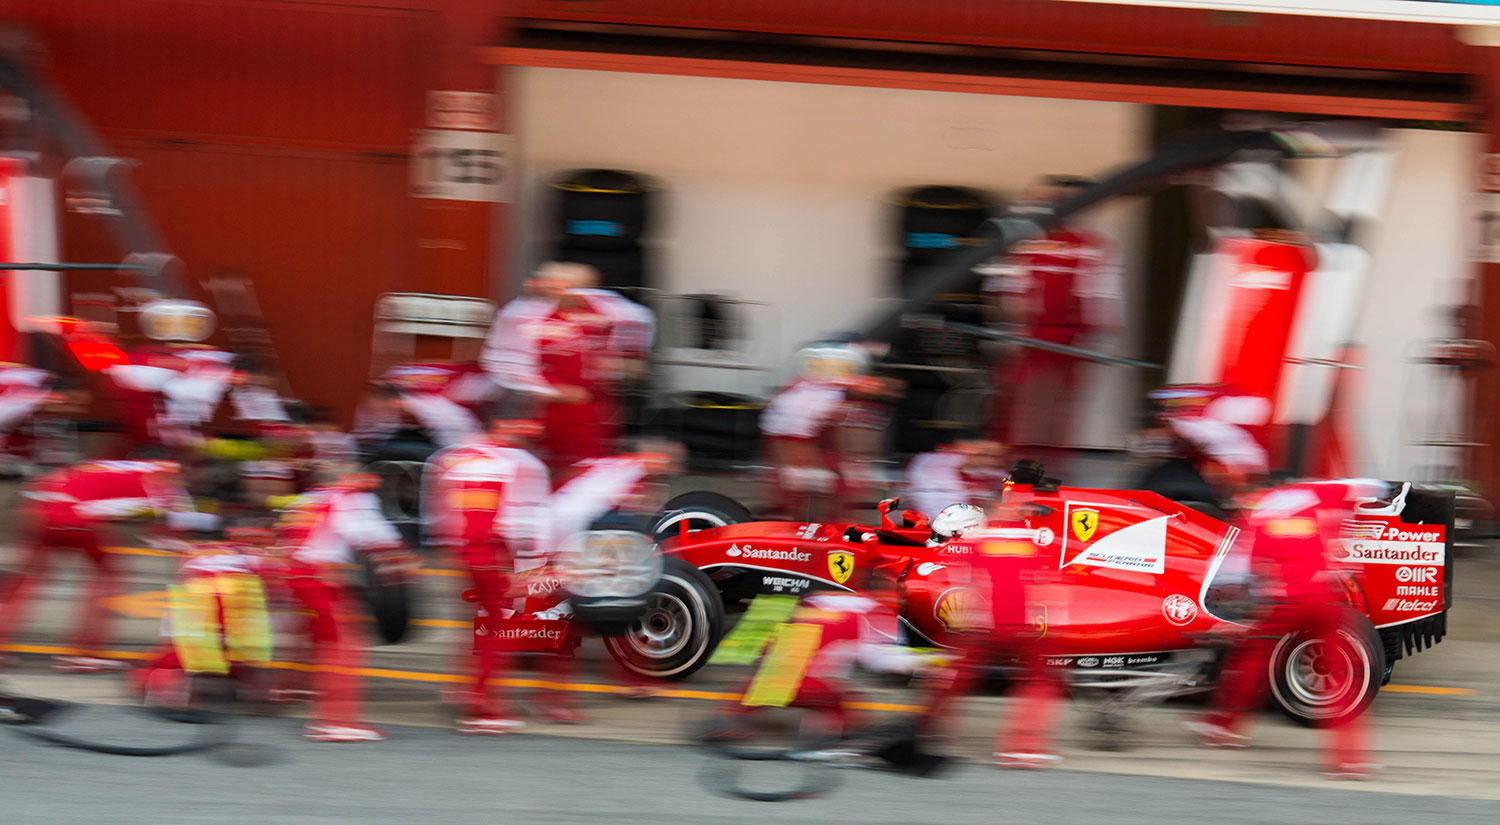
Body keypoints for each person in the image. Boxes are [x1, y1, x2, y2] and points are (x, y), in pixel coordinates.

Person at [1184, 480, 1377, 778]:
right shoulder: (1315, 494)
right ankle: (1350, 760)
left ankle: (1223, 728)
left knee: (1252, 658)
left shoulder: (1257, 510)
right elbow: (1361, 488)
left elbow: (1235, 567)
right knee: (1339, 677)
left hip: (1284, 600)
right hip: (1325, 597)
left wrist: (1228, 614)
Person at [0, 459, 216, 671]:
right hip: (75, 515)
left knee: (26, 581)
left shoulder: (133, 466)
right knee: (107, 580)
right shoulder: (166, 483)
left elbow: (58, 480)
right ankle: (83, 654)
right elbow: (161, 534)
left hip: (41, 507)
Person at [982, 177, 1122, 471]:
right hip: (1026, 341)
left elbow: (1102, 298)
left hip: (1069, 343)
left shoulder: (1092, 244)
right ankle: (1010, 475)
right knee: (1018, 412)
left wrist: (1094, 340)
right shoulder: (1020, 242)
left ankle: (1047, 478)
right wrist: (1007, 334)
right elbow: (1000, 291)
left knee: (1058, 415)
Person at [423, 418, 550, 734]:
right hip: (491, 551)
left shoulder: (451, 456)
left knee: (476, 621)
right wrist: (531, 564)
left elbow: (437, 510)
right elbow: (518, 522)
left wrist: (445, 548)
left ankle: (462, 689)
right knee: (497, 628)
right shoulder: (510, 462)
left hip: (459, 551)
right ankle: (484, 709)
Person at [919, 506, 1066, 769]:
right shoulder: (1033, 542)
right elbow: (1045, 586)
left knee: (951, 676)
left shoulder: (975, 546)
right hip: (1019, 625)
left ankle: (923, 731)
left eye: (943, 537)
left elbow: (962, 582)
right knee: (1040, 680)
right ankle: (1023, 749)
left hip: (980, 626)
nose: (938, 542)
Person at [480, 262, 654, 477]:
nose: (564, 294)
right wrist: (549, 390)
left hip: (593, 410)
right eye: (553, 287)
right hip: (536, 408)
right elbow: (498, 362)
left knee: (588, 471)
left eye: (573, 287)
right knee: (534, 469)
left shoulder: (607, 307)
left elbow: (642, 320)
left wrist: (626, 360)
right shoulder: (522, 314)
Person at [274, 470, 408, 742]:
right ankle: (334, 721)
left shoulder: (307, 498)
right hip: (320, 577)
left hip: (297, 575)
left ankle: (295, 692)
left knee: (319, 641)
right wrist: (399, 556)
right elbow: (368, 534)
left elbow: (284, 536)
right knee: (343, 646)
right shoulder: (349, 498)